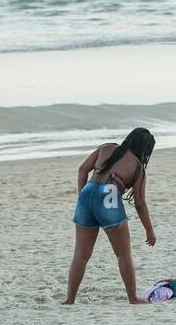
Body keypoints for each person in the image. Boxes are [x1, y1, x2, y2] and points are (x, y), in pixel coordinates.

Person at [65, 128, 157, 305]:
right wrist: (149, 231)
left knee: (81, 254)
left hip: (87, 193)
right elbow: (140, 203)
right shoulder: (138, 168)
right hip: (109, 198)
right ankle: (133, 298)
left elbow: (82, 169)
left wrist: (82, 195)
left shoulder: (106, 148)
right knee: (123, 254)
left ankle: (70, 299)